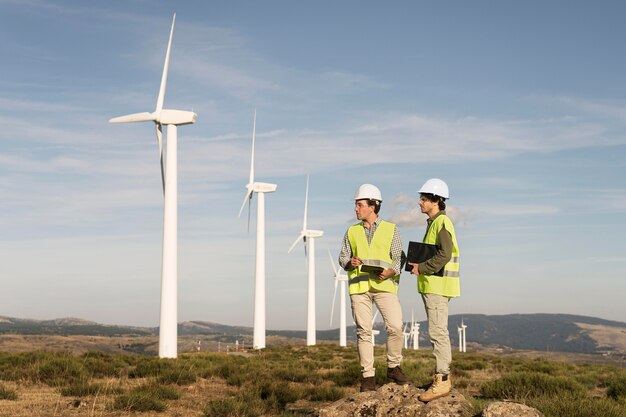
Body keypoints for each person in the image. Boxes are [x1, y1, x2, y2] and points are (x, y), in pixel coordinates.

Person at [339, 184, 408, 392]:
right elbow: (342, 258)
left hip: (384, 284)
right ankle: (368, 377)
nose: (356, 209)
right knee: (364, 331)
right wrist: (350, 262)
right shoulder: (351, 231)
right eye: (356, 205)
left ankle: (393, 366)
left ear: (372, 206)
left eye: (359, 205)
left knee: (395, 327)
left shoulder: (391, 229)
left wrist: (391, 271)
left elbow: (399, 258)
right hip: (359, 287)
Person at [408, 178, 460, 402]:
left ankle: (443, 380)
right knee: (437, 332)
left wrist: (422, 267)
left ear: (436, 200)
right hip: (432, 286)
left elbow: (445, 254)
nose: (420, 202)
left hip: (438, 287)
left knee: (438, 333)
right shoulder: (433, 224)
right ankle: (441, 377)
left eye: (424, 199)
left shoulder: (441, 224)